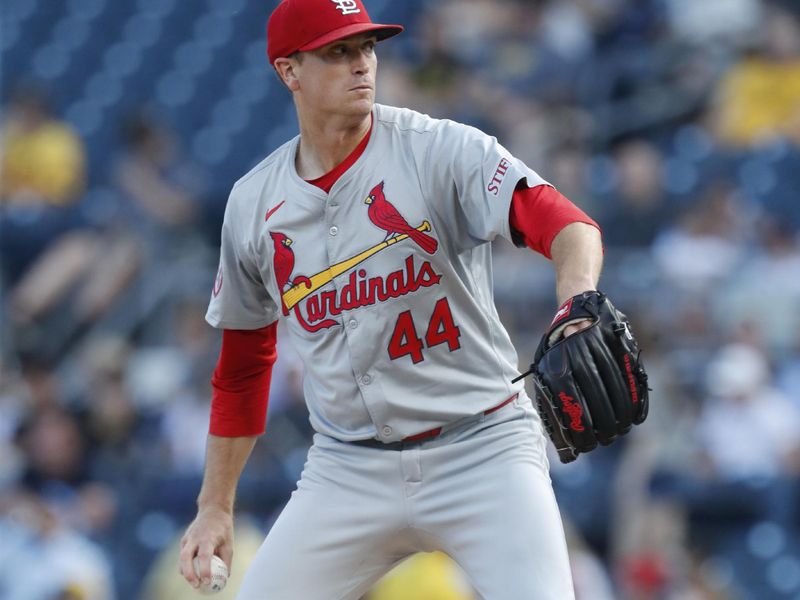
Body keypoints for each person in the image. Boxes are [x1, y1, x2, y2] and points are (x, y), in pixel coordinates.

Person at [179, 0, 603, 597]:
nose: (361, 65)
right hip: (348, 467)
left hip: (482, 447)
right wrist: (216, 505)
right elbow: (243, 370)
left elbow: (567, 226)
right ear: (288, 71)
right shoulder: (253, 205)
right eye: (337, 51)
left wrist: (575, 302)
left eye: (367, 47)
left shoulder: (438, 149)